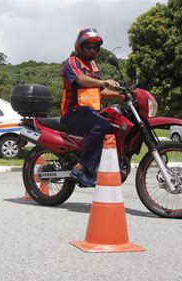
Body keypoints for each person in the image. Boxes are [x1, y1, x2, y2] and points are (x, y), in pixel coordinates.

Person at [60, 27, 120, 186]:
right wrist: (104, 81)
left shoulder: (93, 65)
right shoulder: (72, 62)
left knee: (114, 123)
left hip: (90, 112)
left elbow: (102, 91)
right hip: (73, 112)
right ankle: (80, 168)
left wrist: (124, 95)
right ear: (80, 47)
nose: (92, 50)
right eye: (89, 47)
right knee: (102, 125)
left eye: (95, 47)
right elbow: (81, 80)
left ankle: (99, 164)